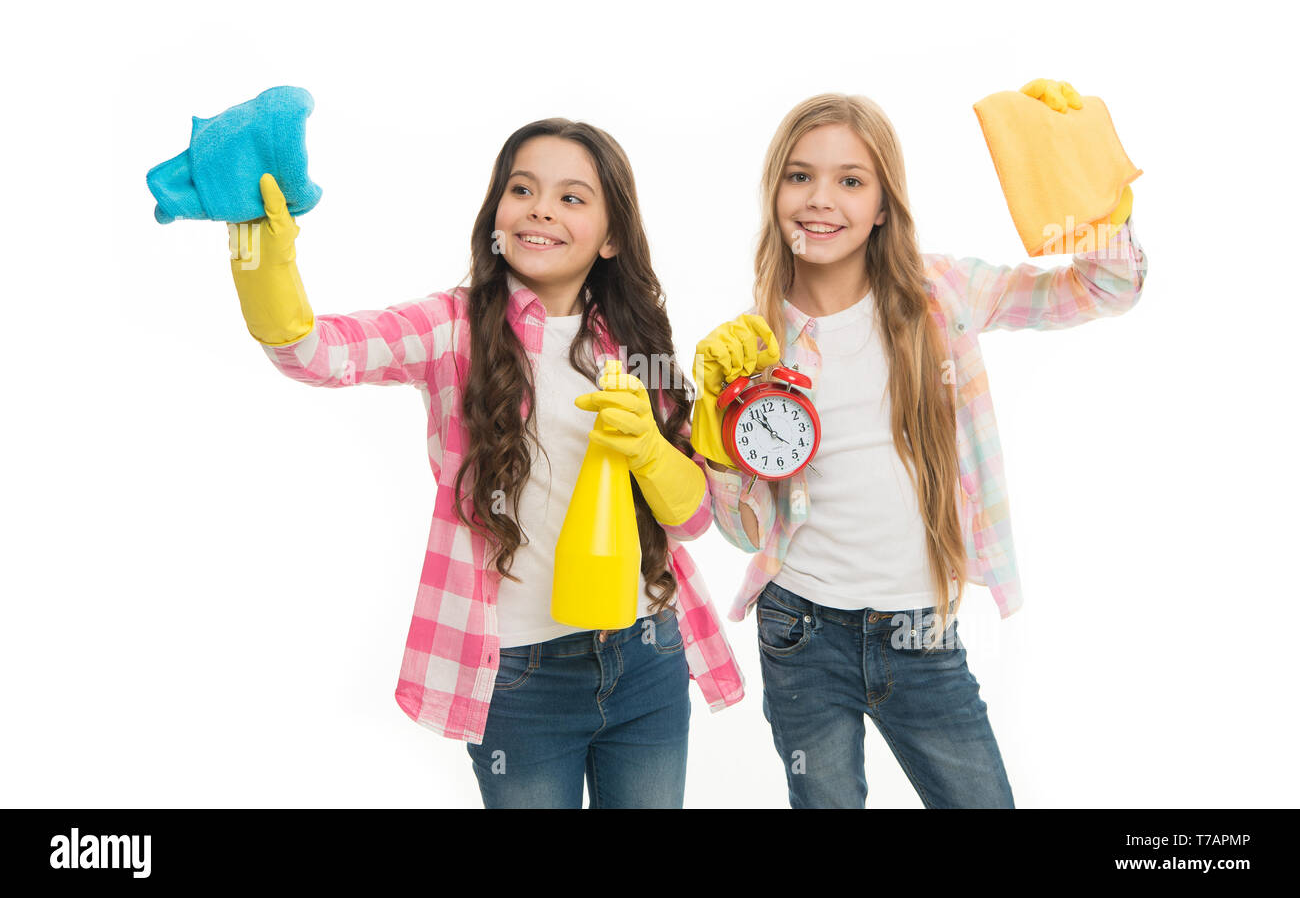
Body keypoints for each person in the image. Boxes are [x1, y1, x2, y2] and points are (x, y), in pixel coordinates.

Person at [226, 118, 744, 808]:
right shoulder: (453, 328)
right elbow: (317, 354)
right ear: (496, 211)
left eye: (572, 197)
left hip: (647, 655)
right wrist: (267, 266)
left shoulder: (635, 340)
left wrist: (652, 449)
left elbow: (694, 517)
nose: (540, 209)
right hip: (521, 680)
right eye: (522, 188)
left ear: (613, 235)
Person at [691, 83, 1147, 808]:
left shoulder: (942, 294)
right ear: (774, 191)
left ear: (882, 205)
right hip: (797, 630)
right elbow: (746, 532)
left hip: (920, 631)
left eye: (850, 180)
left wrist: (1087, 179)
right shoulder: (752, 344)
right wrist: (713, 439)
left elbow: (1109, 287)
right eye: (800, 176)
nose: (820, 199)